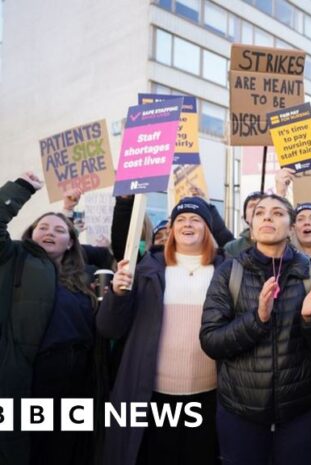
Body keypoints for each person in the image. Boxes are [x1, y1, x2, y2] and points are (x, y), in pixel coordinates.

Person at [200, 193, 311, 465]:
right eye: (260, 212)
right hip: (240, 410)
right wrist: (257, 319)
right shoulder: (230, 271)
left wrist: (309, 319)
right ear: (251, 223)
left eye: (277, 213)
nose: (268, 217)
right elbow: (211, 341)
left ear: (291, 226)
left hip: (300, 410)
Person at [97, 197, 224, 465]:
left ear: (208, 229)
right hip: (154, 395)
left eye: (195, 219)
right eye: (180, 219)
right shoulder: (146, 269)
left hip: (210, 397)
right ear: (172, 229)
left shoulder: (226, 270)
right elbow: (109, 327)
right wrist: (118, 295)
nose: (187, 224)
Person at [0, 173, 100, 465]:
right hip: (27, 382)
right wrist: (22, 188)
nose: (50, 232)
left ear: (70, 243)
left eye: (58, 231)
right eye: (42, 227)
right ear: (30, 235)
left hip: (73, 387)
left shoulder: (85, 278)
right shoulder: (14, 257)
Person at [224, 191, 263, 258]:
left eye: (261, 206)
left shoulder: (282, 246)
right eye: (251, 206)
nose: (256, 209)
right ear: (245, 216)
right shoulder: (232, 248)